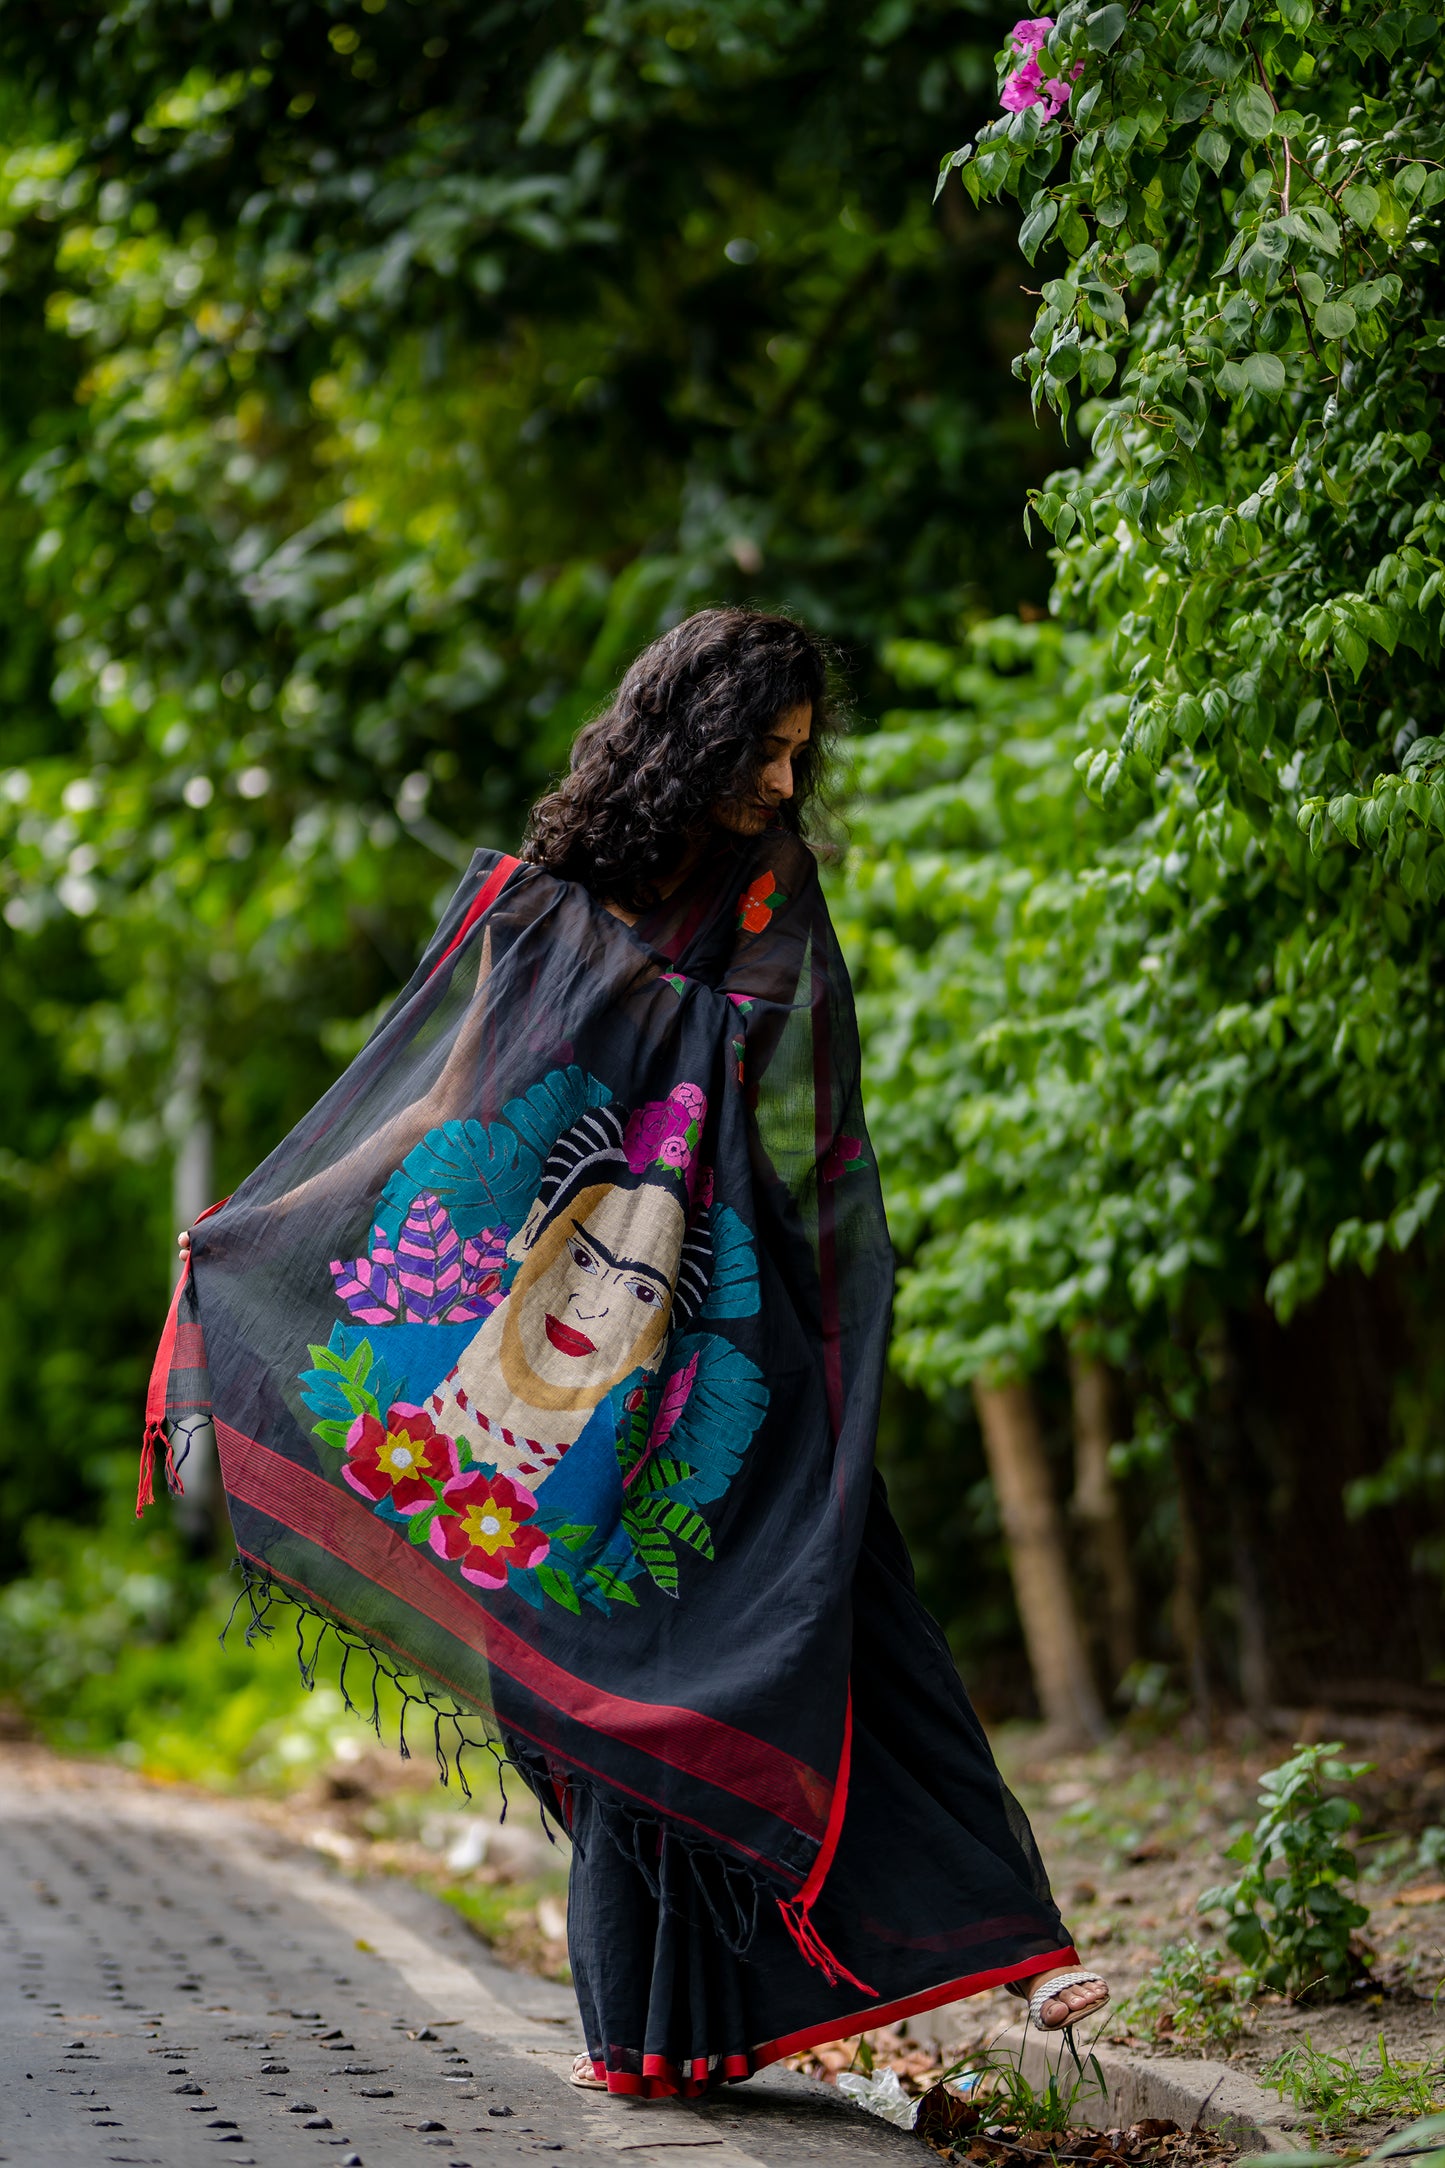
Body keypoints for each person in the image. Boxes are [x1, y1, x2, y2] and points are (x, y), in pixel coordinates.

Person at [163, 607, 1108, 2104]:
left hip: (733, 1344)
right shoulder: (538, 910)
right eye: (766, 755)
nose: (788, 788)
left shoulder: (768, 896)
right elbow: (446, 1113)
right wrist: (264, 1223)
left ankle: (1019, 1945)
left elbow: (809, 1139)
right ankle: (662, 2026)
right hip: (554, 1361)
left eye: (802, 758)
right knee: (592, 1661)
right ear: (692, 739)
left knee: (846, 1611)